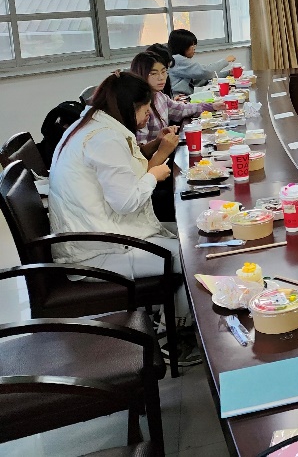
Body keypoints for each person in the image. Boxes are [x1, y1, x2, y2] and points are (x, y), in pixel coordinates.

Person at [47, 71, 200, 365]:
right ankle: (174, 340)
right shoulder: (104, 139)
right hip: (97, 250)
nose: (147, 115)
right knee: (189, 254)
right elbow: (127, 201)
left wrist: (154, 148)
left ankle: (171, 320)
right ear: (129, 108)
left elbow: (125, 169)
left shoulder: (93, 123)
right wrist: (154, 174)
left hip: (97, 232)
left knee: (188, 232)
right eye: (145, 109)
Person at [130, 50, 213, 145]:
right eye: (153, 73)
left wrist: (212, 106)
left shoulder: (159, 96)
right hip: (159, 152)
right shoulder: (140, 107)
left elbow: (181, 109)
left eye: (163, 71)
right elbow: (140, 148)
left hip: (166, 148)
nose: (161, 77)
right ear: (140, 74)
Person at [167, 28, 235, 95]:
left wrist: (228, 73)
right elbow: (207, 72)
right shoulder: (177, 60)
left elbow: (201, 78)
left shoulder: (176, 59)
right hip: (180, 98)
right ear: (182, 46)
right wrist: (226, 61)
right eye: (192, 45)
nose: (194, 48)